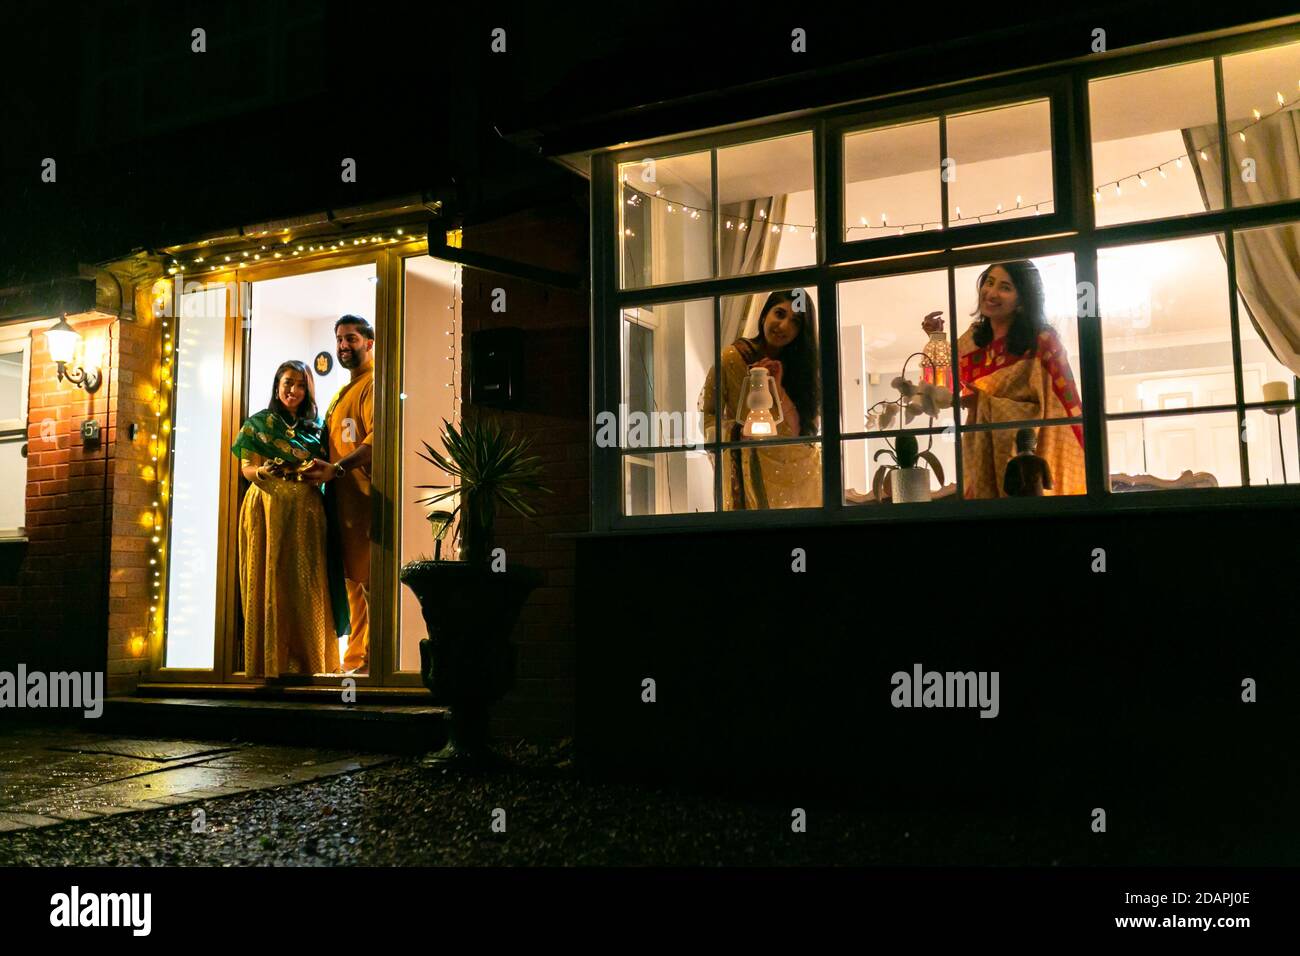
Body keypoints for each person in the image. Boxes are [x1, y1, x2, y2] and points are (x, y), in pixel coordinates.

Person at [231, 361, 347, 677]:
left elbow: (327, 467)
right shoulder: (257, 424)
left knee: (307, 581)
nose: (292, 390)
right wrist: (262, 473)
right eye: (287, 383)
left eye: (299, 385)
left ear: (308, 390)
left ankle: (312, 663)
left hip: (307, 511)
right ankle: (272, 664)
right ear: (276, 385)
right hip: (267, 507)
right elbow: (246, 468)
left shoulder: (317, 428)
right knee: (271, 578)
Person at [953, 260, 1086, 498]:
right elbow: (943, 385)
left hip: (1028, 454)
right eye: (989, 282)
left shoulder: (1041, 342)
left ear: (1023, 301)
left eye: (1005, 287)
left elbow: (1056, 409)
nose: (991, 293)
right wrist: (935, 337)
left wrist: (984, 403)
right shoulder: (971, 340)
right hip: (979, 446)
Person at [698, 290, 822, 509]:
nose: (783, 326)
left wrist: (779, 387)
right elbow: (709, 416)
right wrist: (739, 431)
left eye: (795, 322)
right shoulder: (732, 359)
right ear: (765, 314)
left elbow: (799, 433)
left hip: (799, 474)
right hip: (749, 467)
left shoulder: (802, 368)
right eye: (780, 313)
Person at [304, 315, 374, 675]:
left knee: (367, 582)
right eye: (339, 340)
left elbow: (375, 442)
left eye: (351, 339)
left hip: (364, 501)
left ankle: (373, 662)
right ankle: (356, 659)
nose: (344, 346)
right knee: (352, 583)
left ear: (369, 343)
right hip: (341, 503)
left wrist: (339, 468)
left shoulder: (373, 384)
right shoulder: (345, 390)